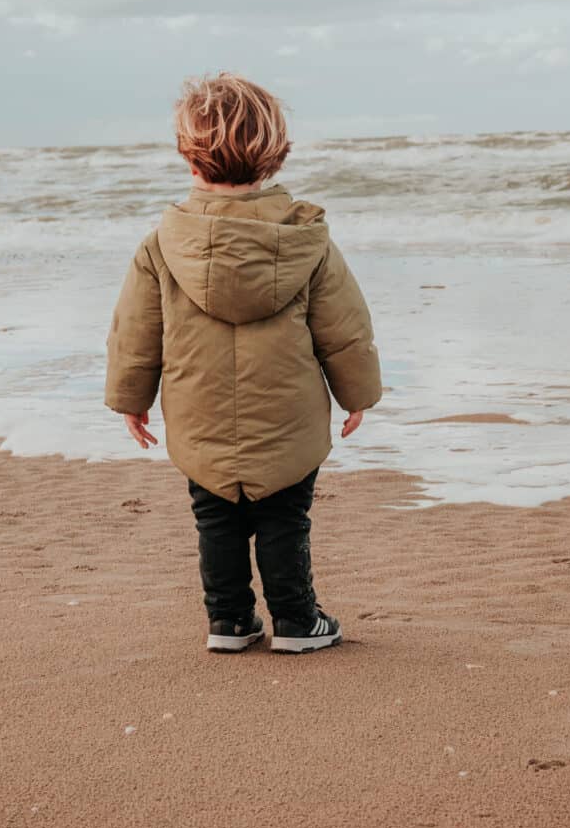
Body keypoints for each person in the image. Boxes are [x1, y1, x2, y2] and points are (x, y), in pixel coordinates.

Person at [104, 72, 382, 653]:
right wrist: (358, 394)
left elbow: (136, 332)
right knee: (285, 517)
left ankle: (229, 621)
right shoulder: (306, 240)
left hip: (199, 410)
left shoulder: (161, 243)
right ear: (276, 156)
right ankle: (297, 621)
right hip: (287, 412)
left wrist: (131, 400)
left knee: (215, 516)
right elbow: (344, 329)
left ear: (189, 157)